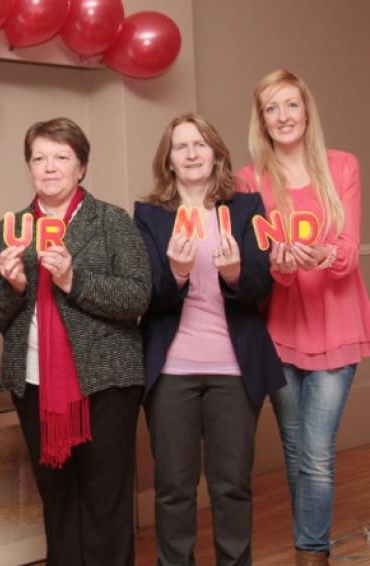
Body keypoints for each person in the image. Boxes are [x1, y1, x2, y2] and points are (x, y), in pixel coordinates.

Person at [0, 117, 150, 565]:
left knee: (106, 501)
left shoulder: (112, 222)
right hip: (34, 385)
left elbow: (135, 297)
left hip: (106, 383)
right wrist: (12, 288)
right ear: (28, 167)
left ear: (81, 167)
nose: (49, 167)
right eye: (39, 158)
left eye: (61, 157)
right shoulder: (9, 229)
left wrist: (73, 280)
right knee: (57, 500)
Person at [135, 113, 285, 566]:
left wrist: (235, 273)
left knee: (231, 486)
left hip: (233, 371)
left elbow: (262, 286)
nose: (193, 153)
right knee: (174, 489)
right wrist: (176, 274)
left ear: (216, 152)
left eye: (201, 144)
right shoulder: (149, 215)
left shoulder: (245, 207)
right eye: (182, 146)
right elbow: (148, 297)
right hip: (173, 371)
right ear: (170, 160)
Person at [236, 69, 370, 566]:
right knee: (295, 451)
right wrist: (284, 267)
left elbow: (347, 254)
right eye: (272, 108)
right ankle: (308, 546)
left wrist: (318, 256)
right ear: (262, 120)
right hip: (281, 329)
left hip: (338, 323)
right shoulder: (250, 180)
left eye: (291, 105)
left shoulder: (343, 166)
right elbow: (263, 264)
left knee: (315, 452)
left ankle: (312, 553)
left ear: (307, 110)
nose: (283, 116)